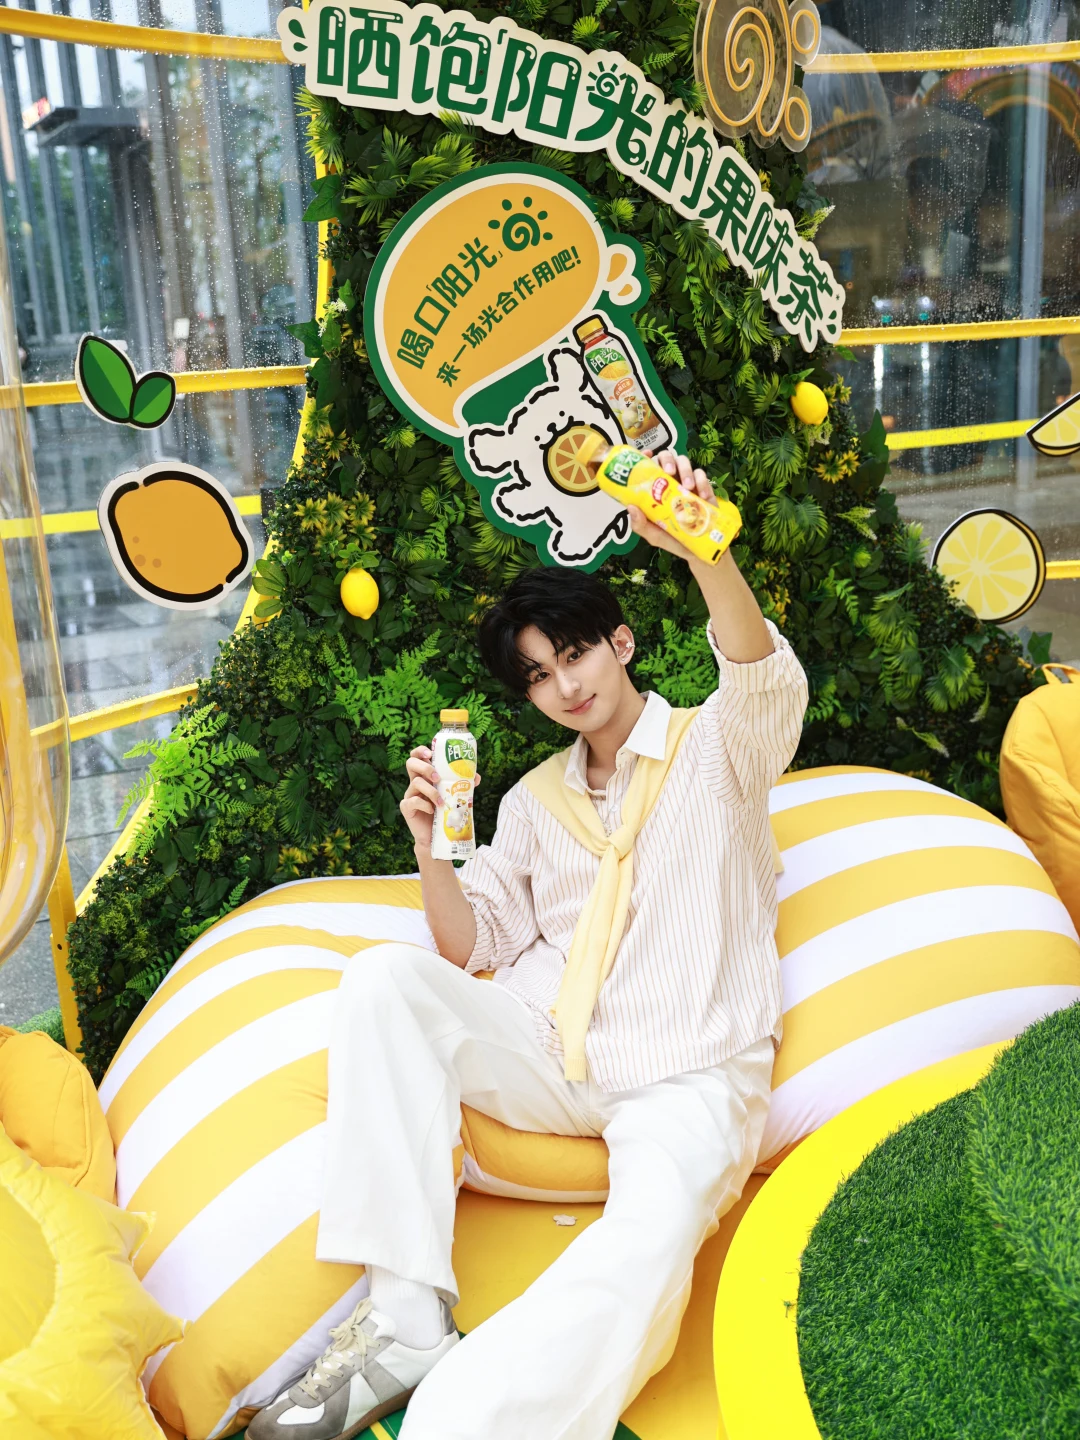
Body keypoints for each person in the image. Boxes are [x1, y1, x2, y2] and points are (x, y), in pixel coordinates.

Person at [249, 451, 808, 1440]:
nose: (564, 686)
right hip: (556, 1050)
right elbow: (475, 943)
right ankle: (407, 1318)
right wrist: (431, 850)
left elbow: (758, 673)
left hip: (690, 1067)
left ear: (622, 643)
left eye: (576, 655)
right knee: (386, 981)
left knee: (643, 1249)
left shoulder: (720, 747)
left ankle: (468, 1423)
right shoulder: (533, 802)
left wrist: (704, 551)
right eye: (540, 676)